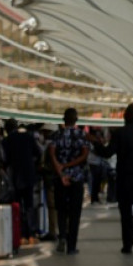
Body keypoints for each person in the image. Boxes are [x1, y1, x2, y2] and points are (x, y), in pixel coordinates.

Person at [89, 102, 133, 253]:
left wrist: (95, 142)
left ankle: (128, 244)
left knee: (125, 214)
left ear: (127, 115)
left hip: (125, 179)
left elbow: (107, 153)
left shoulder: (120, 133)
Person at [48, 108, 90, 255]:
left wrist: (60, 170)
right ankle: (72, 246)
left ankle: (62, 238)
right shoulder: (81, 135)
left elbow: (51, 153)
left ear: (63, 119)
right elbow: (84, 155)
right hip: (76, 178)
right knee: (75, 212)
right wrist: (70, 165)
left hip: (60, 178)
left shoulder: (56, 135)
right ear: (76, 120)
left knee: (61, 210)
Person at [2, 118, 43, 245]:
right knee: (29, 205)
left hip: (15, 177)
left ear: (7, 130)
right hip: (29, 175)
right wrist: (33, 164)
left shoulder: (6, 141)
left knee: (18, 206)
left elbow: (5, 160)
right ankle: (31, 234)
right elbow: (39, 152)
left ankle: (21, 236)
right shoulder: (28, 137)